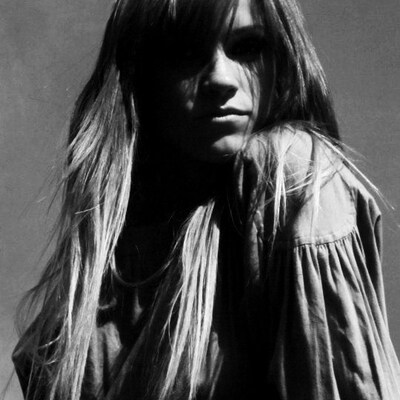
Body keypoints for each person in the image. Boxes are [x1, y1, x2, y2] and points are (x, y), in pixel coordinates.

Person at [12, 0, 400, 399]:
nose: (220, 78)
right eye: (185, 53)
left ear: (283, 64)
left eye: (247, 48)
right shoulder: (73, 320)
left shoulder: (293, 179)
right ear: (140, 76)